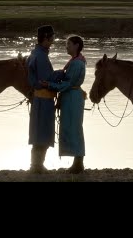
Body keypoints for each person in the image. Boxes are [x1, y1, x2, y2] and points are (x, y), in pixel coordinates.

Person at [41, 35, 86, 174]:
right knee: (73, 127)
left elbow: (67, 84)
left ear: (76, 45)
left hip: (72, 97)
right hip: (71, 97)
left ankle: (78, 163)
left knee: (74, 128)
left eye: (69, 44)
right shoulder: (76, 61)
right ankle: (77, 162)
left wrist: (49, 84)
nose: (66, 46)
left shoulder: (77, 63)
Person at [26, 25, 57, 173]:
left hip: (38, 99)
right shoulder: (42, 57)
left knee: (38, 131)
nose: (53, 40)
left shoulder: (35, 53)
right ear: (46, 38)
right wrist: (63, 75)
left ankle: (36, 164)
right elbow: (47, 80)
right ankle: (37, 166)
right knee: (43, 131)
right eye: (52, 37)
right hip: (44, 100)